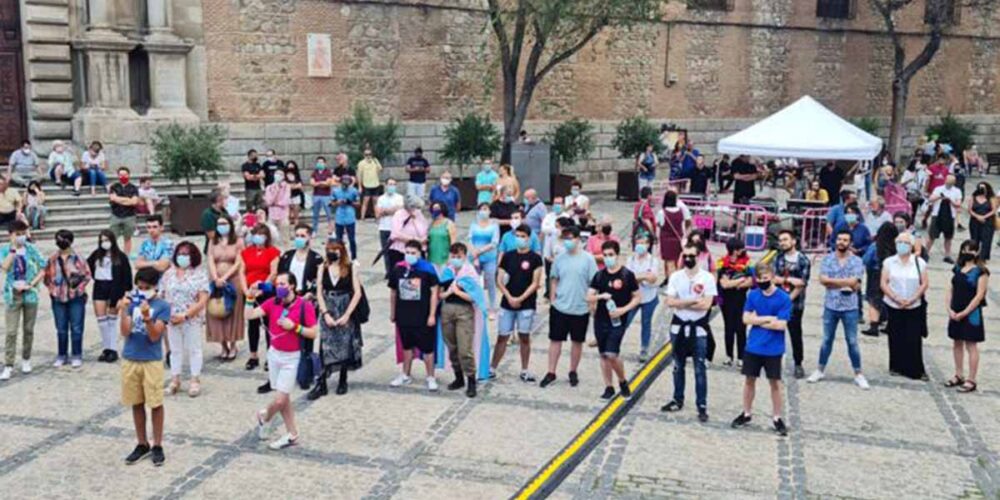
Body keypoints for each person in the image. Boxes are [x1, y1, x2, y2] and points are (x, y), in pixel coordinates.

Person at [249, 272, 318, 450]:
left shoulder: (304, 306)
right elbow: (249, 315)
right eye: (277, 284)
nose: (279, 287)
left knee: (280, 400)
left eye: (283, 284)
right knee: (284, 397)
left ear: (292, 286)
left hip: (293, 357)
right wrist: (250, 296)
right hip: (275, 354)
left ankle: (264, 416)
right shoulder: (273, 303)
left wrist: (295, 327)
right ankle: (292, 434)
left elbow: (313, 332)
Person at [730, 264, 792, 436]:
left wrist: (756, 319)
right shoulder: (753, 295)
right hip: (754, 346)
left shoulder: (783, 298)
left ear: (772, 277)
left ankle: (777, 417)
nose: (763, 281)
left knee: (775, 384)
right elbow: (745, 319)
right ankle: (747, 412)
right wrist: (767, 319)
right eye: (760, 279)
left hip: (773, 348)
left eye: (766, 278)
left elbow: (781, 325)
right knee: (749, 381)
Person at [660, 243, 718, 422]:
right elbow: (669, 301)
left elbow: (706, 304)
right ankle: (678, 398)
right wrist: (692, 301)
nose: (687, 259)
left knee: (699, 367)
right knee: (678, 366)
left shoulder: (707, 278)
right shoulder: (676, 276)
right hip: (678, 326)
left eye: (691, 256)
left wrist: (682, 302)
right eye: (685, 255)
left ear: (699, 256)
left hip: (699, 327)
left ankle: (702, 404)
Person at [119, 267, 170, 466]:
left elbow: (155, 335)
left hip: (151, 360)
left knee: (155, 402)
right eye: (139, 287)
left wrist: (148, 317)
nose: (142, 291)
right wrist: (124, 310)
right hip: (131, 357)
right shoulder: (132, 304)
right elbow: (125, 332)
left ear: (155, 287)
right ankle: (142, 443)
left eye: (146, 287)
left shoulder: (163, 306)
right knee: (136, 402)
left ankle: (157, 444)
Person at [808, 230, 869, 389]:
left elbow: (856, 283)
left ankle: (858, 373)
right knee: (826, 340)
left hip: (850, 307)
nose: (842, 242)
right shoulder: (828, 259)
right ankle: (820, 369)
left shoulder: (857, 261)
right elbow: (823, 280)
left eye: (845, 240)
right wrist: (846, 282)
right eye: (840, 239)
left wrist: (833, 282)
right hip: (831, 305)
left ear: (850, 243)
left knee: (852, 341)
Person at [541, 226, 598, 388]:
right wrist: (552, 299)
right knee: (555, 340)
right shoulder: (559, 258)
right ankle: (551, 371)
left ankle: (573, 370)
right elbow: (553, 278)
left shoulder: (588, 259)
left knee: (577, 341)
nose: (568, 242)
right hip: (560, 306)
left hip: (580, 307)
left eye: (571, 238)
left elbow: (593, 282)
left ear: (579, 239)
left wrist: (591, 303)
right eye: (565, 238)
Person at [587, 240, 640, 400]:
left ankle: (622, 381)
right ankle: (608, 386)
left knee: (612, 353)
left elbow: (637, 297)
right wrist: (599, 296)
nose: (608, 258)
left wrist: (623, 310)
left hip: (618, 320)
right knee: (603, 354)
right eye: (605, 255)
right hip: (601, 319)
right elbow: (588, 296)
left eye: (611, 255)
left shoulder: (626, 275)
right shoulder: (600, 275)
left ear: (617, 255)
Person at [311, 240, 363, 399]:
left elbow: (357, 292)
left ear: (342, 251)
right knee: (325, 345)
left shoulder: (351, 267)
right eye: (329, 249)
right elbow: (319, 291)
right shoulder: (322, 267)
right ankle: (322, 382)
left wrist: (347, 314)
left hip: (344, 304)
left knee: (345, 343)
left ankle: (343, 379)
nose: (332, 252)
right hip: (328, 305)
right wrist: (325, 312)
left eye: (335, 249)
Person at [492, 226, 543, 381]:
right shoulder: (508, 256)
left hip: (526, 304)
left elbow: (535, 283)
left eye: (522, 236)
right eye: (517, 236)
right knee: (502, 336)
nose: (519, 239)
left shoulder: (535, 258)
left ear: (529, 238)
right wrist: (509, 297)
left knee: (524, 337)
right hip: (507, 303)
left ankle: (524, 369)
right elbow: (499, 280)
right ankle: (492, 367)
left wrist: (520, 299)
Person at [388, 240, 440, 390]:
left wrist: (431, 315)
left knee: (428, 348)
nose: (409, 256)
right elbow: (393, 292)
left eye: (413, 253)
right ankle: (405, 374)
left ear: (420, 253)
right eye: (407, 253)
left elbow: (434, 292)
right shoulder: (398, 269)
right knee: (407, 346)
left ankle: (430, 376)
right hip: (404, 315)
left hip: (423, 315)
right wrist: (393, 313)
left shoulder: (427, 269)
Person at [160, 242, 210, 397]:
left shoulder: (199, 274)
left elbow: (202, 299)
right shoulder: (169, 274)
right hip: (172, 318)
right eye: (180, 253)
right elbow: (162, 294)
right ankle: (175, 379)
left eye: (186, 254)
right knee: (175, 350)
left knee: (194, 349)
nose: (182, 257)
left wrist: (186, 314)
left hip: (191, 318)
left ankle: (195, 379)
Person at [0, 221, 46, 380]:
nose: (21, 237)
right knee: (11, 331)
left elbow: (43, 267)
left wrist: (31, 284)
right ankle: (9, 364)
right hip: (12, 294)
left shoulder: (31, 249)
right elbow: (4, 267)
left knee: (28, 329)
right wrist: (13, 250)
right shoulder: (5, 250)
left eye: (23, 233)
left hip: (30, 293)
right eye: (17, 234)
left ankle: (26, 358)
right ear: (11, 234)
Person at [880, 231, 929, 380]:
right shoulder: (889, 262)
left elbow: (924, 283)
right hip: (894, 304)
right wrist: (895, 298)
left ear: (911, 245)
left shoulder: (919, 262)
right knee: (895, 335)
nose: (902, 245)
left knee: (913, 337)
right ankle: (896, 366)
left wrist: (913, 298)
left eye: (906, 243)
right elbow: (883, 282)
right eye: (899, 242)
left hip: (914, 305)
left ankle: (916, 369)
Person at [439, 243, 485, 397]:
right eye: (453, 256)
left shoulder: (470, 273)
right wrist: (448, 292)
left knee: (465, 348)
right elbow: (440, 293)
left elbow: (474, 297)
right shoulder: (447, 271)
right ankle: (458, 377)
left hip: (464, 311)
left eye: (458, 257)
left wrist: (457, 291)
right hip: (447, 310)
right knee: (452, 347)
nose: (455, 259)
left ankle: (471, 380)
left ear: (464, 257)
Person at [945, 240, 988, 393]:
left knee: (971, 345)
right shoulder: (957, 268)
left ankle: (971, 379)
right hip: (955, 309)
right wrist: (949, 308)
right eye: (965, 249)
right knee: (957, 343)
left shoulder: (981, 271)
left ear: (977, 252)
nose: (967, 252)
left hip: (971, 313)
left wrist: (965, 312)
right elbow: (950, 289)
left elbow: (979, 295)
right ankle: (958, 374)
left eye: (971, 250)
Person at [44, 230, 92, 368]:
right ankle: (62, 355)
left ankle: (76, 354)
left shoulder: (78, 258)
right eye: (58, 239)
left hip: (75, 297)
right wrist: (52, 290)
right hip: (58, 297)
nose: (60, 242)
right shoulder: (53, 258)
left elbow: (87, 276)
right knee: (61, 328)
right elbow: (47, 277)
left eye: (63, 239)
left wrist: (78, 289)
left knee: (77, 327)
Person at [87, 230, 133, 363]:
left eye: (107, 240)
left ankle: (113, 349)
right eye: (102, 240)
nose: (104, 243)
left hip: (115, 287)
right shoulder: (96, 255)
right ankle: (106, 348)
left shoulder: (120, 257)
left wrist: (126, 293)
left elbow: (127, 275)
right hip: (100, 287)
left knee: (112, 320)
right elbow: (86, 267)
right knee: (102, 320)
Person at [241, 224, 280, 373]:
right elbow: (242, 272)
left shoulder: (273, 252)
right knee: (252, 323)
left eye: (261, 234)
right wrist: (246, 291)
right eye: (256, 234)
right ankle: (253, 355)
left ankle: (271, 356)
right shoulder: (246, 252)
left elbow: (273, 273)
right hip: (250, 291)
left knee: (269, 324)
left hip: (266, 292)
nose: (258, 237)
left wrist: (262, 288)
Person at [206, 214, 245, 361]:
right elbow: (210, 258)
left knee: (232, 312)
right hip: (215, 280)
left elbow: (238, 261)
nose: (222, 226)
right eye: (219, 224)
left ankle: (233, 344)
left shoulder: (238, 241)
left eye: (224, 223)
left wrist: (225, 277)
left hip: (232, 279)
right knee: (216, 310)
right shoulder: (212, 241)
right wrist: (216, 277)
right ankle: (223, 345)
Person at [773, 229, 810, 379]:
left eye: (785, 240)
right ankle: (773, 361)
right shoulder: (778, 258)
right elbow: (774, 279)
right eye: (781, 240)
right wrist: (788, 281)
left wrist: (788, 300)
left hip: (795, 304)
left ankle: (798, 363)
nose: (782, 243)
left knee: (795, 334)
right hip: (778, 301)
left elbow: (802, 283)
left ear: (794, 241)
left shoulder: (803, 260)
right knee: (775, 332)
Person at [624, 232, 659, 362]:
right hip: (633, 296)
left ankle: (644, 348)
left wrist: (637, 277)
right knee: (626, 320)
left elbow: (652, 278)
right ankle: (613, 343)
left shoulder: (653, 261)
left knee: (646, 322)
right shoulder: (630, 259)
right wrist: (643, 276)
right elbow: (627, 279)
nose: (640, 246)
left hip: (649, 297)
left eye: (643, 243)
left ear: (648, 245)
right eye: (638, 243)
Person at [718, 238, 752, 367]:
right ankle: (729, 356)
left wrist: (736, 283)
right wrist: (740, 281)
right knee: (729, 328)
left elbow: (750, 281)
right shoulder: (722, 263)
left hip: (741, 299)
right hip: (726, 300)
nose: (743, 250)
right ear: (734, 251)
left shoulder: (747, 263)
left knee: (741, 328)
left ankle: (741, 357)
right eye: (740, 248)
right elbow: (724, 284)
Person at [862, 223, 899, 337]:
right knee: (889, 298)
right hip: (892, 275)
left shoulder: (875, 246)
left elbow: (866, 260)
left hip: (875, 273)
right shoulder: (896, 247)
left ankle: (874, 326)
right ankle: (890, 325)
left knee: (874, 299)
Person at [469, 202, 501, 314]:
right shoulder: (473, 224)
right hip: (474, 257)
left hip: (489, 257)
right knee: (474, 282)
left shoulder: (494, 225)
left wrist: (480, 251)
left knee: (490, 281)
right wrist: (475, 254)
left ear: (489, 211)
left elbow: (494, 242)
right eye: (482, 209)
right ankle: (476, 305)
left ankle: (492, 307)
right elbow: (470, 240)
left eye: (486, 209)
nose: (484, 211)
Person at [927, 174, 963, 263]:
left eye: (952, 181)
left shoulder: (957, 191)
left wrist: (950, 200)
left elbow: (958, 204)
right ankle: (925, 253)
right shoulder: (938, 189)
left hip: (950, 216)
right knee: (932, 235)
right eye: (948, 180)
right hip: (937, 215)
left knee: (948, 237)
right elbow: (930, 199)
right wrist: (940, 196)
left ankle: (947, 255)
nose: (949, 183)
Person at [375, 178, 405, 277]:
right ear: (386, 185)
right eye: (390, 184)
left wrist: (386, 211)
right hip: (384, 227)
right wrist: (391, 210)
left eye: (393, 184)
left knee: (397, 251)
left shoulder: (399, 198)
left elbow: (400, 210)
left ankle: (397, 270)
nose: (391, 186)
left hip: (396, 228)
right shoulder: (381, 198)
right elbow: (378, 213)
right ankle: (388, 271)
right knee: (385, 251)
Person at [108, 167, 140, 254]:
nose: (123, 176)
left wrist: (119, 199)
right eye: (121, 175)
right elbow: (112, 198)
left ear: (129, 175)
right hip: (116, 215)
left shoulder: (133, 188)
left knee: (128, 238)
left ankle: (126, 256)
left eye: (125, 174)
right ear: (118, 176)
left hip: (129, 216)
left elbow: (134, 202)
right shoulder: (114, 187)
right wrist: (127, 200)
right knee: (112, 238)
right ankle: (114, 254)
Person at [657, 190, 688, 279]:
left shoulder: (662, 212)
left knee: (669, 262)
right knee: (677, 261)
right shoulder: (681, 211)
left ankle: (671, 281)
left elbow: (660, 224)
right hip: (678, 238)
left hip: (666, 240)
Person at [331, 175, 360, 259]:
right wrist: (337, 202)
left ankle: (354, 257)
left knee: (352, 239)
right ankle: (339, 256)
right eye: (343, 182)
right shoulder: (335, 191)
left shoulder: (354, 191)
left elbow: (358, 204)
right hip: (339, 217)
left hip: (350, 217)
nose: (345, 185)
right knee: (338, 239)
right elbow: (331, 203)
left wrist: (350, 202)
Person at [967, 181, 996, 261]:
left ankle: (983, 257)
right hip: (975, 221)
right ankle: (973, 255)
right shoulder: (973, 197)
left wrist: (984, 217)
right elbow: (969, 209)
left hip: (987, 221)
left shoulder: (990, 198)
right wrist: (977, 216)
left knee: (986, 239)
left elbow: (993, 210)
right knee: (974, 238)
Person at [264, 168, 292, 246]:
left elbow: (285, 201)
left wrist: (275, 203)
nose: (278, 176)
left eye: (280, 174)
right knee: (271, 237)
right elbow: (268, 202)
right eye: (277, 174)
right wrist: (276, 191)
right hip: (272, 215)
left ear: (283, 176)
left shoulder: (287, 186)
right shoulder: (269, 187)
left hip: (283, 215)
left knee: (285, 238)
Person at [427, 201, 457, 272]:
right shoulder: (431, 224)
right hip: (431, 257)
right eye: (433, 209)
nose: (435, 211)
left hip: (444, 258)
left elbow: (453, 242)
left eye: (437, 208)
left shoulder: (449, 223)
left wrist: (450, 257)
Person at [310, 156, 336, 235]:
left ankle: (331, 230)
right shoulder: (314, 172)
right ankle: (314, 230)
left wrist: (318, 183)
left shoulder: (328, 172)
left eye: (321, 162)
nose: (320, 163)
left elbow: (328, 183)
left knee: (329, 214)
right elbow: (312, 183)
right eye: (318, 162)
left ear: (325, 163)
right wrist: (321, 183)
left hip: (326, 195)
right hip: (316, 195)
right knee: (315, 214)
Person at [357, 147, 383, 220]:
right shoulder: (361, 163)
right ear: (364, 155)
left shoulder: (375, 161)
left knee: (376, 202)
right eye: (366, 154)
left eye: (369, 154)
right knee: (365, 202)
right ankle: (362, 217)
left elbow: (380, 169)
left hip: (375, 184)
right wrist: (359, 186)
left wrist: (376, 161)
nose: (368, 156)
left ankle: (377, 217)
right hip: (366, 184)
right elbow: (359, 175)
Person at [283, 160, 305, 226]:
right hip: (287, 197)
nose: (291, 168)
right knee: (288, 215)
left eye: (292, 166)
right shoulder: (284, 176)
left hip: (296, 196)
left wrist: (292, 186)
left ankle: (296, 226)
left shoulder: (297, 175)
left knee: (296, 214)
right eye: (289, 166)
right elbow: (286, 186)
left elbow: (300, 185)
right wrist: (295, 186)